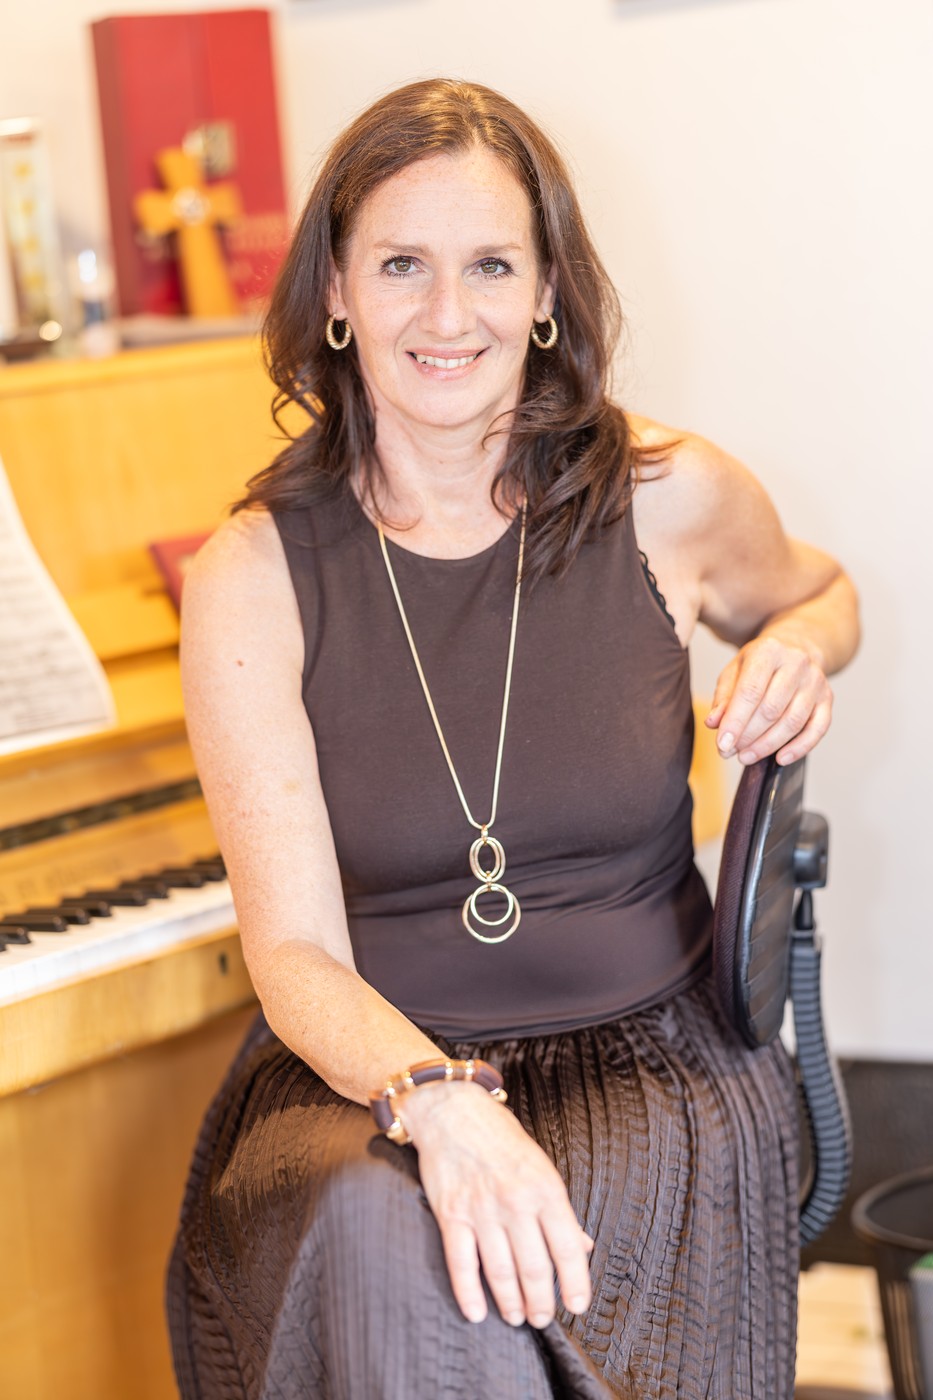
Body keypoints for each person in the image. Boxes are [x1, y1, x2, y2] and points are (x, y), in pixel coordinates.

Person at [167, 78, 859, 1400]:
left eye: (490, 265)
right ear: (334, 291)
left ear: (546, 292)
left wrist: (798, 647)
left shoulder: (667, 496)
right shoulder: (250, 576)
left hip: (647, 1068)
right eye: (401, 266)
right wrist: (434, 1102)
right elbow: (293, 952)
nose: (448, 314)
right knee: (381, 1227)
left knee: (464, 1266)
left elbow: (823, 594)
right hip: (365, 1076)